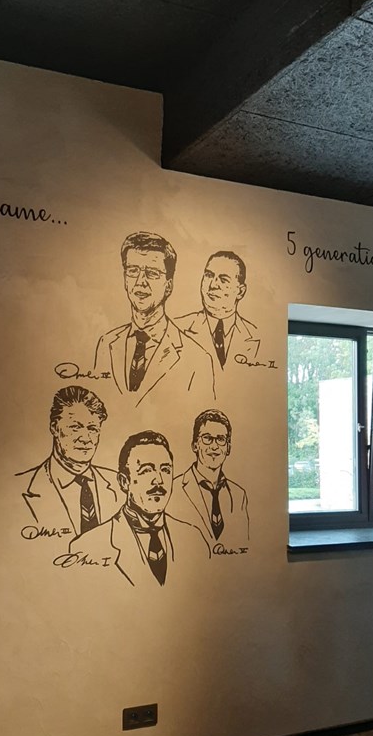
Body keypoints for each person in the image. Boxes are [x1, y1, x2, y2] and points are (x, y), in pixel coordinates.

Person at [69, 430, 210, 586]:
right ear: (124, 482)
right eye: (146, 470)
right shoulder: (87, 547)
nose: (159, 480)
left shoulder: (194, 537)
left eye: (165, 470)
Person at [94, 232, 215, 406]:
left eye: (152, 273)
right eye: (133, 271)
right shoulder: (106, 344)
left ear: (169, 286)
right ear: (125, 279)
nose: (140, 281)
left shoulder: (197, 359)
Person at [15, 386, 121, 540]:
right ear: (54, 428)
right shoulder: (19, 487)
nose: (85, 438)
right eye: (75, 427)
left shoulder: (120, 485)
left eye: (92, 429)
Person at [170, 409, 249, 552]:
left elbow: (244, 542)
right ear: (195, 445)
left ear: (228, 448)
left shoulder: (239, 495)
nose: (214, 446)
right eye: (207, 438)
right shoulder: (173, 490)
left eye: (220, 439)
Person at [175, 251, 260, 371]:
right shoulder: (176, 328)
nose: (213, 285)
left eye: (223, 280)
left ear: (240, 291)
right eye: (209, 275)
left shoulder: (256, 334)